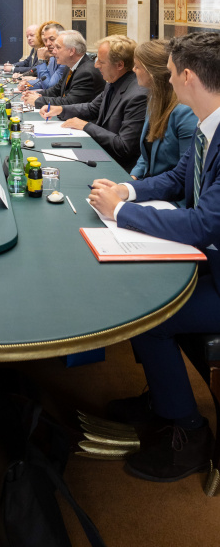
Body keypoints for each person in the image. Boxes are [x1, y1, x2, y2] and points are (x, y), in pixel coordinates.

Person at [87, 31, 220, 483]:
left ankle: (188, 432)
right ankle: (161, 398)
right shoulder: (207, 124)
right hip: (210, 263)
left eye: (167, 74)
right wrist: (127, 189)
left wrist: (123, 213)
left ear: (186, 76)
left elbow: (203, 224)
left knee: (153, 315)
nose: (162, 79)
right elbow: (177, 178)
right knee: (138, 292)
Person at [40, 34, 147, 172]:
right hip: (101, 153)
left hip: (118, 166)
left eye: (101, 62)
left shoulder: (138, 96)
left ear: (119, 65)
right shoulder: (113, 82)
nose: (96, 65)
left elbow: (124, 146)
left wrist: (86, 126)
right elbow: (92, 108)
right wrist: (60, 109)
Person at [130, 39, 197, 181]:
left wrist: (136, 189)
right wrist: (134, 177)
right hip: (151, 185)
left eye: (137, 66)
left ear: (152, 72)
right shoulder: (154, 98)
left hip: (172, 197)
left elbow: (186, 175)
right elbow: (147, 154)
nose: (133, 70)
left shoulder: (185, 111)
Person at [22, 30, 105, 111]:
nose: (53, 51)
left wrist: (38, 100)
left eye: (58, 47)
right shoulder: (69, 66)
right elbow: (56, 90)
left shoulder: (86, 72)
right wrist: (36, 94)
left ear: (71, 51)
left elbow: (69, 102)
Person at [17, 24, 67, 91]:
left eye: (52, 39)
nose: (47, 44)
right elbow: (44, 81)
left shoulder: (65, 60)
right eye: (45, 40)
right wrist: (27, 84)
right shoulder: (52, 57)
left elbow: (49, 87)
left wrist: (41, 60)